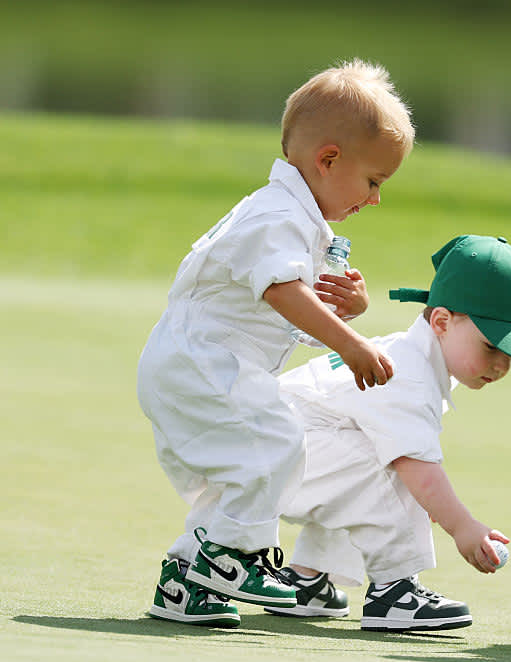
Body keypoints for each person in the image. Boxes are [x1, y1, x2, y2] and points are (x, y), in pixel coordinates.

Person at [137, 59, 415, 628]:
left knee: (243, 471)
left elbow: (295, 305)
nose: (376, 199)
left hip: (211, 364)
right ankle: (234, 557)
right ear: (329, 160)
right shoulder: (276, 215)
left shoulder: (302, 223)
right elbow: (285, 294)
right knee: (276, 442)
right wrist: (354, 342)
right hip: (202, 362)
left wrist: (347, 306)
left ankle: (186, 579)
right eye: (374, 182)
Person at [268, 234, 511, 632]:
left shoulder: (416, 360)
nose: (501, 365)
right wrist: (462, 527)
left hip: (278, 453)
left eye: (510, 354)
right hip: (265, 460)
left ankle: (307, 578)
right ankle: (393, 591)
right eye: (492, 346)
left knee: (368, 454)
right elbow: (418, 469)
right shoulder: (407, 375)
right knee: (395, 466)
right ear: (442, 322)